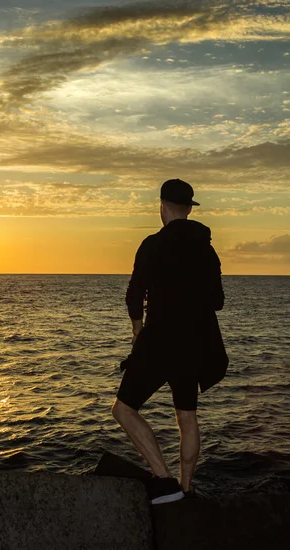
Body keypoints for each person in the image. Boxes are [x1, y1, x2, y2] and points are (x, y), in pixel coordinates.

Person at [111, 178, 229, 504]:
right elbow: (217, 301)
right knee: (187, 417)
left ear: (161, 207)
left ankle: (164, 481)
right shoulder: (207, 250)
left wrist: (137, 332)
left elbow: (134, 295)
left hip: (160, 338)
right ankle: (186, 488)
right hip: (195, 342)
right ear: (190, 209)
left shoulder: (152, 244)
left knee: (123, 409)